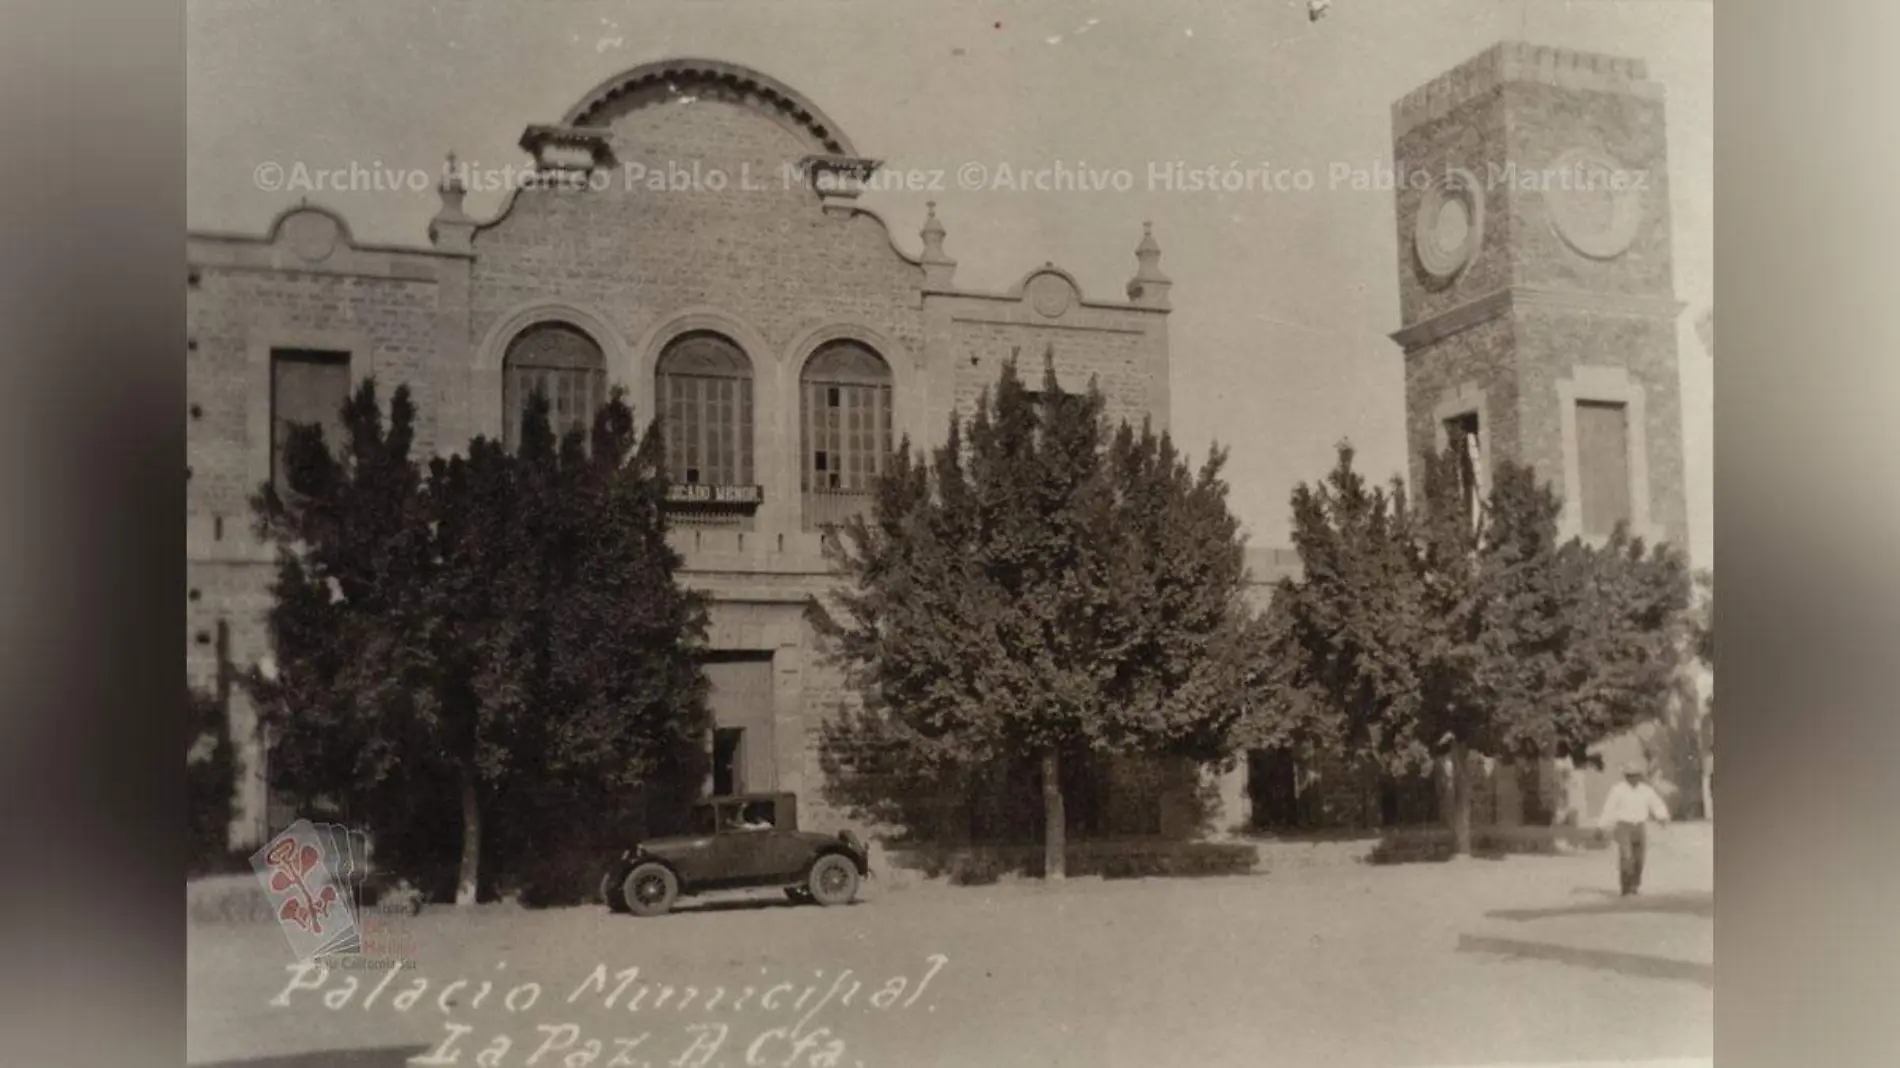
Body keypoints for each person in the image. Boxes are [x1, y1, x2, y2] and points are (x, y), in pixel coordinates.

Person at [1596, 760, 1671, 895]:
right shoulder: (1618, 790)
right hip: (1623, 826)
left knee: (1639, 858)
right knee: (1626, 857)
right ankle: (1625, 887)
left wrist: (1662, 817)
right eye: (1630, 775)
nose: (1634, 778)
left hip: (1639, 826)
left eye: (1636, 775)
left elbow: (1656, 804)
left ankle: (1635, 885)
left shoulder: (1645, 791)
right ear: (1626, 776)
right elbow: (1609, 808)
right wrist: (1601, 826)